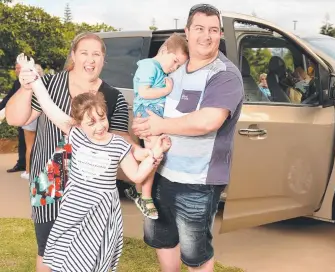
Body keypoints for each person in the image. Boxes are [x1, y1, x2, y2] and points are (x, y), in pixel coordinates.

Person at [15, 53, 172, 271]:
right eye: (91, 122)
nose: (99, 126)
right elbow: (49, 107)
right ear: (79, 124)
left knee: (94, 261)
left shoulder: (118, 144)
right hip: (74, 211)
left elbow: (136, 175)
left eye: (102, 118)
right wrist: (32, 76)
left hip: (102, 214)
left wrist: (155, 153)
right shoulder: (75, 134)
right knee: (66, 261)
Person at [5, 33, 140, 272]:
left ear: (103, 59)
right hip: (49, 178)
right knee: (47, 250)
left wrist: (146, 150)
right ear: (74, 56)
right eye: (84, 53)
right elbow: (17, 118)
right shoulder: (48, 84)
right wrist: (27, 88)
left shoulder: (113, 97)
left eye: (96, 54)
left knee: (87, 253)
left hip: (91, 187)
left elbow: (121, 141)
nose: (90, 59)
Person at [132, 4, 244, 271]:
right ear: (187, 31)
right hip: (160, 172)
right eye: (200, 29)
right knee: (163, 239)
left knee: (196, 254)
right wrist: (144, 125)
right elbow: (150, 106)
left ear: (220, 35)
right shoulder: (172, 71)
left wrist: (161, 124)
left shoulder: (224, 75)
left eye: (213, 30)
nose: (206, 36)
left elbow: (208, 121)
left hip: (197, 182)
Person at [124, 33, 189, 220]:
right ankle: (145, 197)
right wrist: (166, 90)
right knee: (154, 156)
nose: (174, 67)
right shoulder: (148, 66)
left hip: (155, 118)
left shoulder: (161, 71)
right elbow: (143, 92)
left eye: (178, 66)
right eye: (175, 61)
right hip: (147, 116)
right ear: (164, 50)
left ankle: (137, 190)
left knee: (153, 156)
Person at [0, 62, 26, 174]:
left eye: (18, 68)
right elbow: (8, 98)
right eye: (16, 68)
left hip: (34, 118)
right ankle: (21, 164)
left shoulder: (32, 82)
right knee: (22, 141)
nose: (16, 70)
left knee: (32, 143)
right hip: (21, 117)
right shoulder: (17, 83)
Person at [19, 63, 44, 180]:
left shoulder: (26, 87)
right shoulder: (45, 87)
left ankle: (28, 171)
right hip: (42, 119)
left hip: (29, 118)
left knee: (29, 146)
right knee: (39, 146)